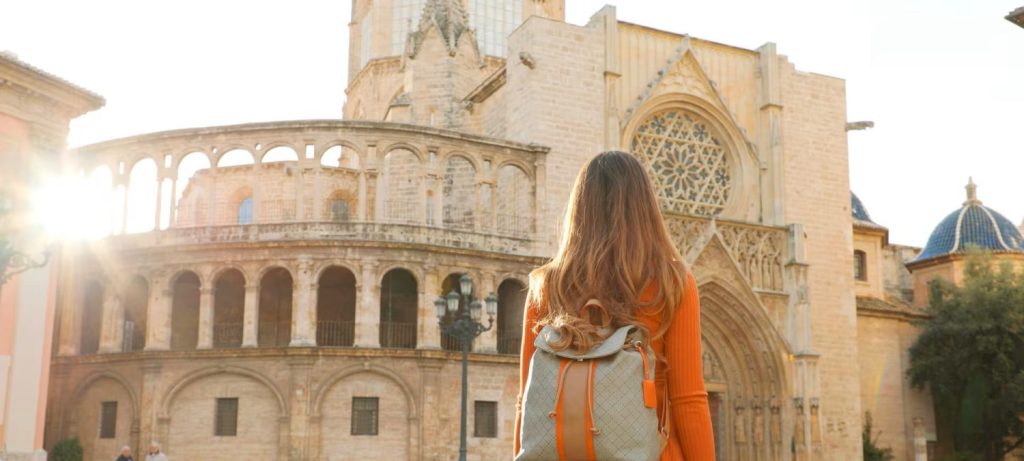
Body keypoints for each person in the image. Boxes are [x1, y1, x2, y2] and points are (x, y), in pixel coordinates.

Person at [513, 151, 716, 460]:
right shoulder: (671, 283)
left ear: (580, 210)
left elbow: (526, 400)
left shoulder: (546, 286)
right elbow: (688, 401)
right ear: (645, 208)